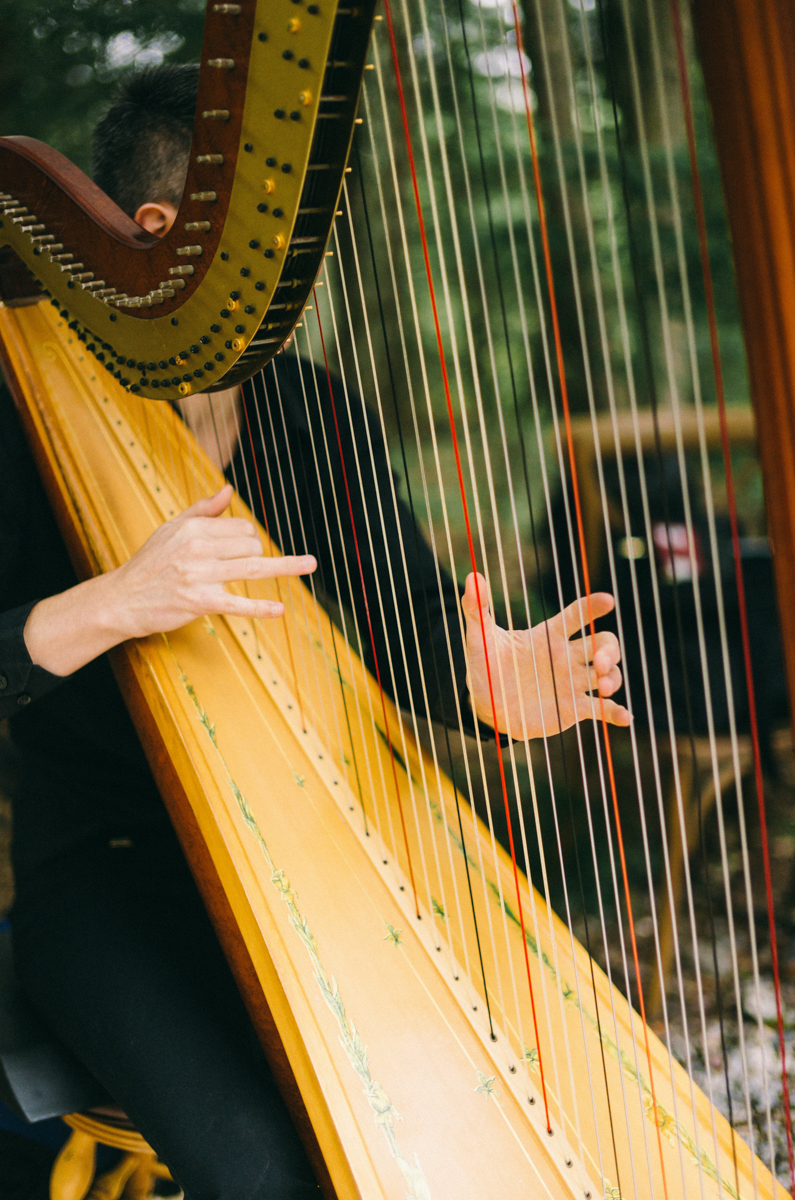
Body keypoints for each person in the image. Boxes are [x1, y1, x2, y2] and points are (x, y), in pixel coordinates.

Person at [0, 64, 629, 1199]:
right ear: (164, 240)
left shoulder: (305, 408)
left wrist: (491, 684)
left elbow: (416, 618)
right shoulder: (19, 405)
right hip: (103, 875)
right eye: (284, 242)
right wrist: (113, 603)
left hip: (311, 868)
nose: (308, 268)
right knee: (275, 1173)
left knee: (499, 1116)